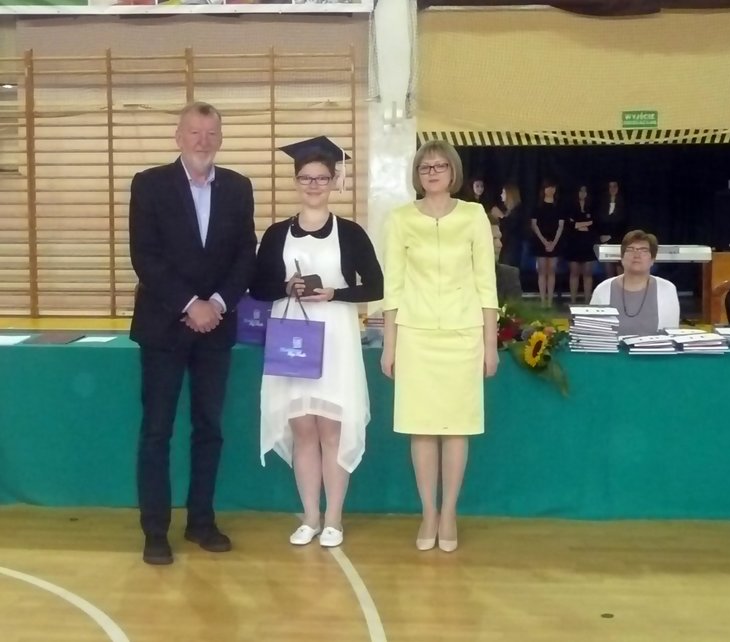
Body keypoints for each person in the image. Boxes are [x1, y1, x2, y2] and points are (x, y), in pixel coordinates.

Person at [129, 101, 256, 565]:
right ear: (178, 137)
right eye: (195, 132)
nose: (203, 141)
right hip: (164, 327)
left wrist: (217, 304)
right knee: (156, 432)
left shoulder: (238, 187)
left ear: (220, 138)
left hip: (216, 330)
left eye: (211, 133)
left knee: (209, 430)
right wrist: (190, 304)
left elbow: (245, 254)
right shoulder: (149, 184)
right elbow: (145, 256)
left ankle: (201, 522)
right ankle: (155, 531)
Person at [249, 136, 383, 548]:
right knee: (303, 428)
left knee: (331, 430)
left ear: (334, 181)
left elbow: (377, 285)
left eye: (321, 178)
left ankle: (334, 519)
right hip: (292, 335)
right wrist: (286, 286)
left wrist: (335, 293)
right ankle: (310, 516)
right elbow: (257, 287)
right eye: (306, 178)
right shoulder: (276, 234)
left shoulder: (351, 233)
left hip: (336, 336)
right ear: (296, 181)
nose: (313, 185)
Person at [382, 139, 498, 553]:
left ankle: (449, 511)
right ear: (417, 175)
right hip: (415, 334)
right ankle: (428, 511)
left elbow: (486, 282)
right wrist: (390, 345)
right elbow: (393, 286)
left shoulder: (473, 215)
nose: (432, 173)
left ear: (453, 173)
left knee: (456, 427)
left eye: (439, 166)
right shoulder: (399, 219)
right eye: (425, 167)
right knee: (421, 427)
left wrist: (490, 344)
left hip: (463, 333)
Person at [590, 229, 679, 335]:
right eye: (630, 249)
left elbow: (671, 334)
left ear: (652, 259)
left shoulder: (667, 289)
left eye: (643, 250)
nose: (637, 255)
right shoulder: (602, 290)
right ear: (622, 258)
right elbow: (593, 334)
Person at [530, 178, 564, 307]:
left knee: (552, 271)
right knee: (542, 271)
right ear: (543, 190)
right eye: (548, 187)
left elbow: (561, 226)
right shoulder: (537, 206)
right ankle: (542, 301)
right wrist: (544, 241)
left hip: (555, 242)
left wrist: (553, 243)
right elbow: (534, 225)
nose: (550, 190)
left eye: (553, 187)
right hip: (540, 241)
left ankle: (550, 301)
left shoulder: (558, 207)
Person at [564, 185, 597, 303]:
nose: (582, 194)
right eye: (580, 191)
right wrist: (585, 224)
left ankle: (588, 301)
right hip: (574, 243)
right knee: (574, 273)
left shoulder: (592, 207)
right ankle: (573, 301)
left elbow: (594, 223)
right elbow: (569, 225)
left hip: (587, 244)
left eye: (585, 191)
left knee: (588, 274)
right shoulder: (571, 207)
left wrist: (578, 225)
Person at [597, 180, 627, 278]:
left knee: (619, 266)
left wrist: (612, 236)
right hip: (605, 239)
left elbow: (623, 223)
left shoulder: (623, 203)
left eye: (615, 186)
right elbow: (600, 221)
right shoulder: (602, 203)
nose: (613, 189)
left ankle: (621, 286)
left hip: (619, 239)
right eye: (610, 186)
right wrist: (602, 236)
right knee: (608, 267)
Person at [494, 183, 526, 268]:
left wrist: (501, 217)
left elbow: (511, 227)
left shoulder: (518, 210)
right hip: (506, 247)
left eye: (503, 193)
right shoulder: (508, 210)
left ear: (510, 195)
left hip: (512, 248)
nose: (501, 195)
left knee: (508, 270)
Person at [491, 219, 522, 304]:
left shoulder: (509, 276)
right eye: (494, 238)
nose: (499, 245)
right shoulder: (460, 276)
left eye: (499, 239)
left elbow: (514, 310)